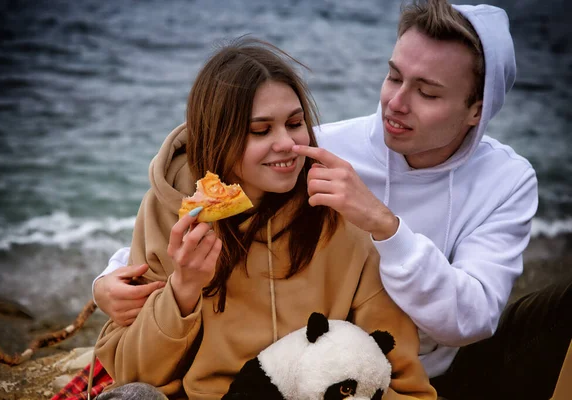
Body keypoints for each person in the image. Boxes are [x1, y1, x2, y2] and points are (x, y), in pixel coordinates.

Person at [94, 1, 572, 399]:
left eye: (426, 92)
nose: (396, 103)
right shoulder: (306, 152)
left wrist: (386, 228)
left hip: (414, 365)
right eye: (393, 77)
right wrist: (119, 281)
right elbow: (182, 216)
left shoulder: (501, 180)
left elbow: (473, 318)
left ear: (476, 110)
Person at [92, 37, 436, 399]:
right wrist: (184, 288)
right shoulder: (171, 212)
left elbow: (400, 377)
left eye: (294, 123)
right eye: (260, 130)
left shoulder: (338, 215)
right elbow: (132, 373)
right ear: (217, 136)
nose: (286, 143)